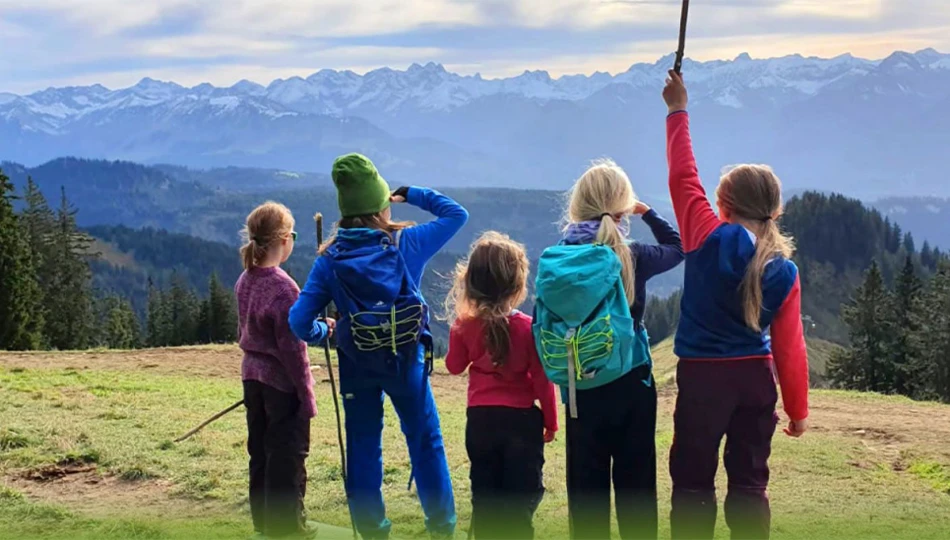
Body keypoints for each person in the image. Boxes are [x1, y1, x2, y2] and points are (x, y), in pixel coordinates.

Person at [288, 153, 468, 540]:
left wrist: (328, 333)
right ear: (381, 204)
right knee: (425, 441)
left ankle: (373, 531)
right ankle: (442, 528)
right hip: (407, 362)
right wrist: (412, 193)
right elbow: (457, 215)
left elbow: (299, 321)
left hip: (357, 364)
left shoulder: (330, 260)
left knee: (364, 445)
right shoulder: (405, 243)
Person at [662, 70, 810, 540]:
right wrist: (797, 409)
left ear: (721, 204)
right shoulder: (783, 270)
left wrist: (676, 108)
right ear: (776, 211)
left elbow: (683, 176)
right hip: (755, 382)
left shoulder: (704, 234)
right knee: (749, 483)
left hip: (703, 378)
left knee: (692, 482)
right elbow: (790, 347)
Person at [534, 160, 684, 540]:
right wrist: (647, 211)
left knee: (586, 485)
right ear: (622, 208)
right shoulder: (630, 255)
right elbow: (678, 247)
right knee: (636, 481)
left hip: (578, 384)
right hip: (631, 381)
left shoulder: (557, 258)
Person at [444, 231, 559, 540]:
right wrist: (550, 421)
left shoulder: (464, 325)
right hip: (521, 422)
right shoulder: (526, 327)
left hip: (480, 421)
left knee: (485, 496)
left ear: (470, 281)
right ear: (517, 285)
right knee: (521, 499)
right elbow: (542, 380)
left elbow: (453, 367)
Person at [235, 202, 325, 539]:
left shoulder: (246, 279)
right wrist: (307, 396)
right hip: (281, 387)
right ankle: (289, 529)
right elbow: (293, 351)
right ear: (286, 239)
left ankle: (264, 525)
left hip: (252, 379)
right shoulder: (285, 289)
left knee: (259, 452)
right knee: (287, 456)